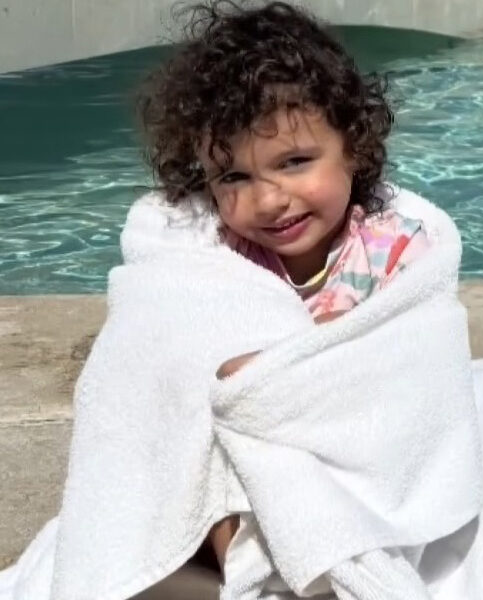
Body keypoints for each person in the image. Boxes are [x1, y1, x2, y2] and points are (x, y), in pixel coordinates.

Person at [135, 0, 432, 584]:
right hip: (249, 477)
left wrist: (291, 364)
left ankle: (333, 563)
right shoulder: (218, 257)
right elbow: (174, 351)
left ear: (354, 146)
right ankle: (252, 571)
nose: (269, 200)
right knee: (206, 456)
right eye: (234, 176)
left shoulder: (392, 250)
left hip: (353, 462)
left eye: (295, 162)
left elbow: (413, 360)